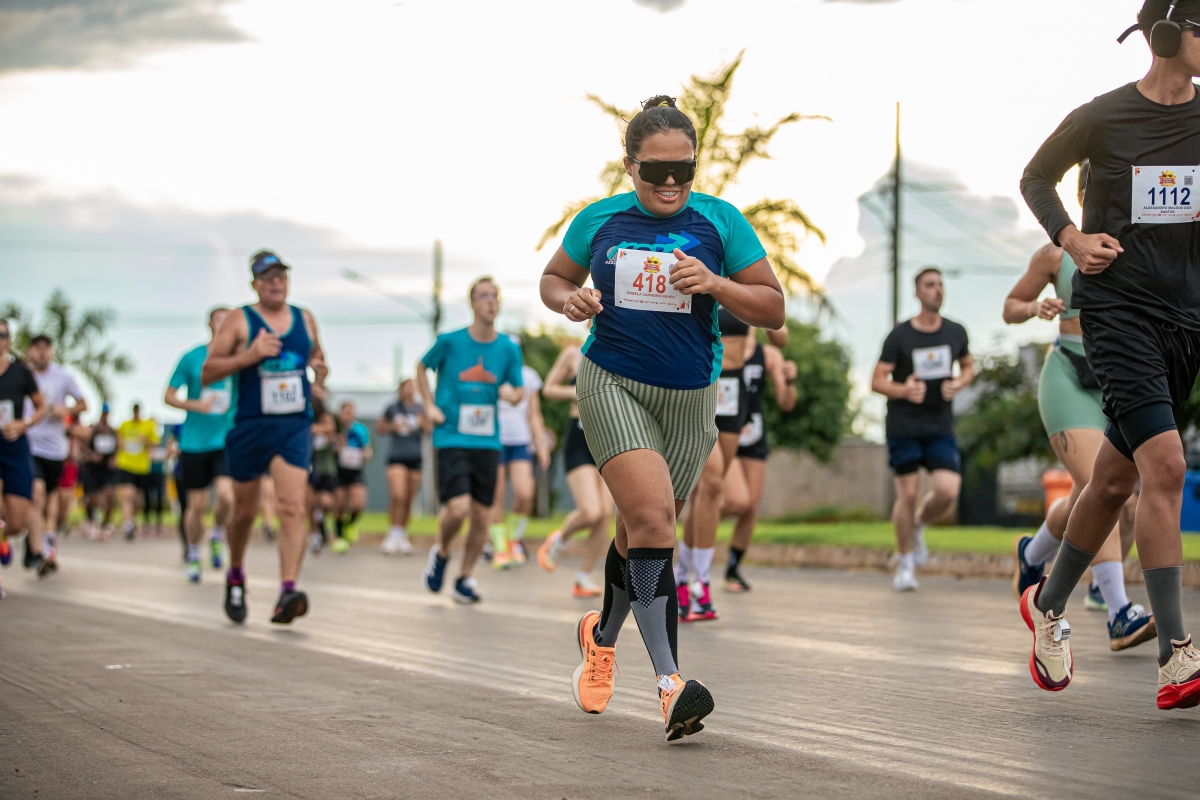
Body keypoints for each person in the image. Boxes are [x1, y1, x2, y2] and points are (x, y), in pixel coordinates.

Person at [540, 95, 784, 740]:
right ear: (630, 166)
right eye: (656, 171)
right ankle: (671, 685)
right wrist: (569, 300)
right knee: (653, 522)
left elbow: (772, 308)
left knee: (638, 533)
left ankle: (601, 638)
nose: (671, 183)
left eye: (685, 169)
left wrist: (717, 284)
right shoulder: (598, 220)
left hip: (691, 397)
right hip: (612, 383)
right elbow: (552, 279)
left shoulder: (721, 221)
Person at [1017, 0, 1200, 708]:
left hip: (1186, 323)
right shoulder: (1105, 115)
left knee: (1114, 481)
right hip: (1118, 314)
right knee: (1166, 466)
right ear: (1166, 35)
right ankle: (1176, 654)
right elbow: (1036, 176)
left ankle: (1048, 605)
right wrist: (1071, 238)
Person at [1004, 162, 1154, 652]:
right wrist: (1035, 307)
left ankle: (1035, 553)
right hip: (1068, 378)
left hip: (1116, 381)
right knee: (1101, 489)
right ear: (1084, 194)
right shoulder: (1055, 255)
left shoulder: (1137, 247)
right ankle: (1118, 612)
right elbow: (1010, 306)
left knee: (1105, 501)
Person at [202, 249, 328, 625]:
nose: (277, 283)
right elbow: (209, 371)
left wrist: (319, 372)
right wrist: (250, 355)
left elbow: (318, 359)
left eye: (281, 276)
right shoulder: (240, 320)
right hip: (250, 426)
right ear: (254, 284)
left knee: (292, 506)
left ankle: (287, 591)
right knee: (245, 512)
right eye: (268, 277)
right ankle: (235, 574)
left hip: (294, 425)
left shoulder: (305, 319)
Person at [417, 276, 524, 604]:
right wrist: (429, 405)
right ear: (472, 303)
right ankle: (442, 551)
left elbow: (518, 389)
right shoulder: (450, 342)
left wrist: (513, 395)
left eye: (495, 296)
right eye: (483, 296)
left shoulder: (508, 348)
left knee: (481, 515)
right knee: (458, 508)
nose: (490, 301)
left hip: (487, 441)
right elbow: (421, 368)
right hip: (452, 435)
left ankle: (464, 578)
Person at [871, 268, 973, 592]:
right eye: (930, 285)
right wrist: (904, 390)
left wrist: (959, 383)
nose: (937, 290)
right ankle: (905, 565)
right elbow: (876, 381)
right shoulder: (900, 335)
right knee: (909, 493)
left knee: (948, 491)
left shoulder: (955, 331)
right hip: (904, 426)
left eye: (940, 284)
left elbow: (968, 366)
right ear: (917, 293)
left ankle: (917, 525)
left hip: (939, 425)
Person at [674, 308, 753, 622]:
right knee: (714, 482)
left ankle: (683, 579)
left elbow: (776, 331)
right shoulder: (698, 277)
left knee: (705, 493)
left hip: (734, 390)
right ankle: (701, 584)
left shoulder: (744, 285)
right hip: (701, 379)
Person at [719, 326, 797, 591]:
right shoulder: (721, 346)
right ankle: (695, 535)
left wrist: (790, 381)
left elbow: (786, 403)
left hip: (754, 435)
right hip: (724, 432)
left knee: (750, 505)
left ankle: (733, 570)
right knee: (736, 501)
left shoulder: (769, 355)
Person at [537, 340, 614, 598]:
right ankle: (559, 539)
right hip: (580, 439)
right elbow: (549, 388)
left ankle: (584, 576)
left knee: (605, 514)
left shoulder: (621, 350)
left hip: (609, 438)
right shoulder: (573, 354)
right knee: (591, 511)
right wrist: (579, 391)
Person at [165, 307, 236, 582]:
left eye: (229, 320)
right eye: (219, 319)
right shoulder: (192, 357)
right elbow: (169, 396)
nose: (224, 324)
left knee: (227, 497)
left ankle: (217, 534)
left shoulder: (238, 359)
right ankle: (194, 554)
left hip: (224, 440)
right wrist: (195, 405)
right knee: (197, 505)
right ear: (209, 324)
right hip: (194, 443)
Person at [24, 334, 88, 576]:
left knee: (53, 506)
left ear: (51, 351)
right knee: (37, 494)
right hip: (29, 446)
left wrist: (64, 410)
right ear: (30, 351)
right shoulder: (23, 375)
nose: (41, 352)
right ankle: (38, 552)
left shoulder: (63, 377)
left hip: (56, 450)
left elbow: (83, 404)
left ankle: (42, 546)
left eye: (46, 348)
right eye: (37, 348)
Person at [489, 351, 550, 569]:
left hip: (520, 440)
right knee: (496, 496)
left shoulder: (528, 376)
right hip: (493, 440)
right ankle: (499, 548)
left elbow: (534, 414)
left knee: (525, 493)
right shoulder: (491, 373)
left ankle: (513, 540)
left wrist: (541, 444)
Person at [0, 319, 48, 596]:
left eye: (3, 334)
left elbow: (41, 407)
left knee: (17, 523)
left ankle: (5, 537)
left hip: (15, 446)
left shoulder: (21, 373)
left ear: (9, 340)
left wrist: (24, 424)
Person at [378, 378, 424, 555]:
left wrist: (422, 422)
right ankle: (393, 533)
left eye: (413, 386)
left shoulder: (420, 409)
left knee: (409, 499)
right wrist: (393, 426)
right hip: (397, 457)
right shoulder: (393, 408)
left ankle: (402, 535)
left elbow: (430, 429)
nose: (410, 389)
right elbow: (380, 428)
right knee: (398, 495)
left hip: (415, 457)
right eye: (407, 386)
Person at [115, 403, 159, 542]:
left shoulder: (148, 426)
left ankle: (132, 519)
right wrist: (120, 444)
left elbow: (156, 443)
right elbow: (118, 440)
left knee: (138, 500)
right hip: (126, 464)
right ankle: (127, 525)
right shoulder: (124, 425)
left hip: (142, 467)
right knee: (128, 494)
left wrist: (145, 440)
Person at [334, 400, 372, 545]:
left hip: (355, 471)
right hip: (339, 471)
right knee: (339, 505)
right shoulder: (337, 430)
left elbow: (367, 450)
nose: (348, 416)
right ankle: (339, 537)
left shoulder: (360, 430)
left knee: (358, 505)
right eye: (345, 413)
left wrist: (364, 455)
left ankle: (348, 525)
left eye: (350, 413)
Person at [78, 404, 117, 540]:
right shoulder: (92, 430)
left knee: (110, 496)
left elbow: (118, 448)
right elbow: (82, 450)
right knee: (92, 499)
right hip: (92, 470)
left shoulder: (112, 431)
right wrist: (91, 456)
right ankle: (90, 520)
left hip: (106, 470)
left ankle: (105, 526)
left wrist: (115, 459)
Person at [308, 399, 339, 554]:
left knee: (326, 501)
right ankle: (315, 535)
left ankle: (322, 521)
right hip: (310, 467)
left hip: (326, 468)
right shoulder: (306, 419)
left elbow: (331, 431)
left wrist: (319, 429)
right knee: (310, 502)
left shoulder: (326, 418)